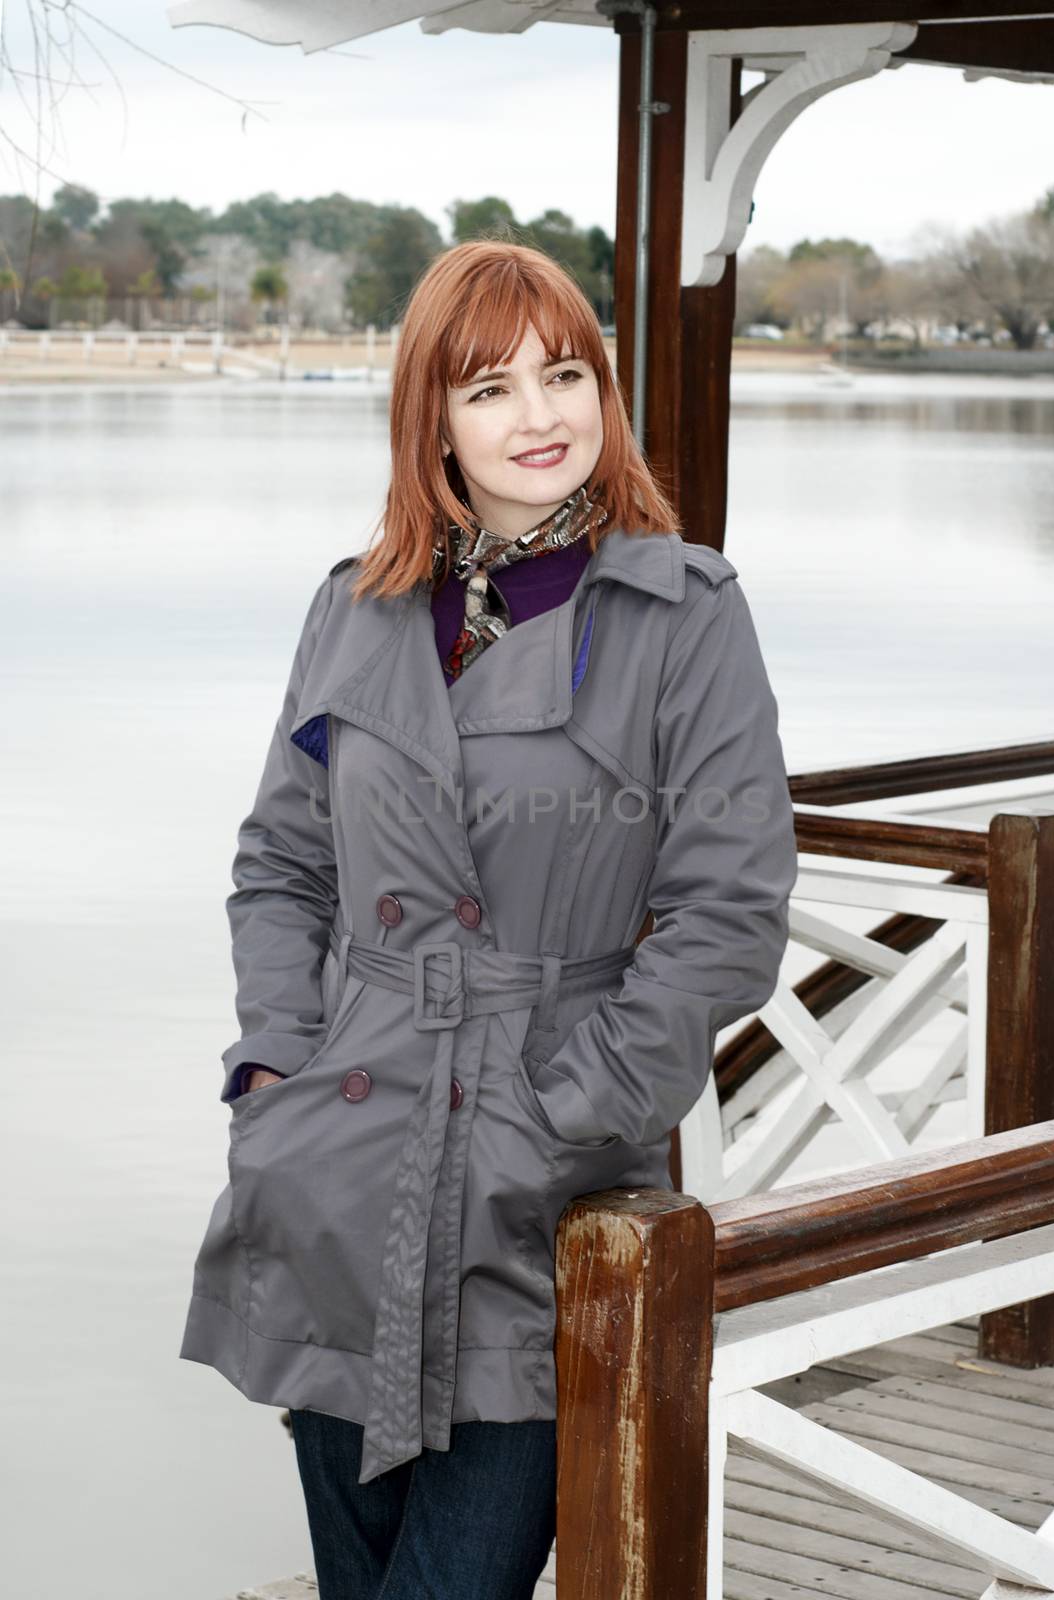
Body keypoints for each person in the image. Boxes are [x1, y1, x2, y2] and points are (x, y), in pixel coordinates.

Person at [179, 239, 798, 1599]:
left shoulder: (680, 611)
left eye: (565, 373)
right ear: (431, 421)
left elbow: (726, 914)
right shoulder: (355, 607)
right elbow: (283, 864)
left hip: (542, 1179)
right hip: (342, 1156)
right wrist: (273, 1071)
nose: (540, 416)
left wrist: (561, 1113)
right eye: (491, 387)